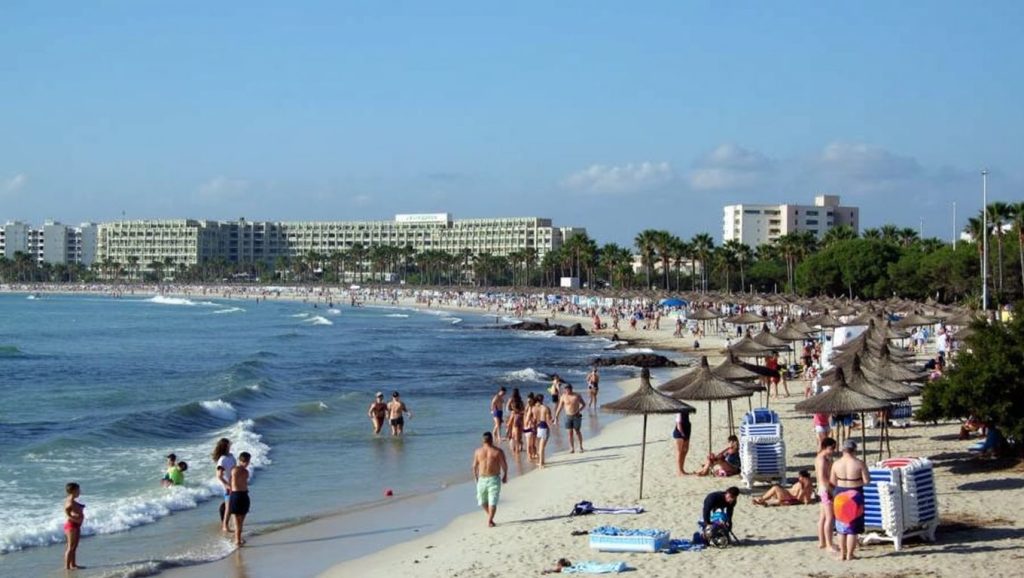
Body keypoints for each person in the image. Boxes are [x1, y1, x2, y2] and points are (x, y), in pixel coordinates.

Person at [829, 439, 869, 561]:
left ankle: (842, 554)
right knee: (853, 527)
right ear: (854, 450)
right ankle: (850, 554)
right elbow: (867, 481)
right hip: (855, 493)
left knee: (841, 527)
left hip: (840, 493)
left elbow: (832, 481)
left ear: (843, 450)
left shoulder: (836, 464)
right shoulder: (859, 463)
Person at [472, 432, 508, 527]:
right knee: (483, 501)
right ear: (492, 440)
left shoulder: (497, 451)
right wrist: (476, 478)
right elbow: (474, 466)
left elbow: (474, 467)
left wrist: (505, 475)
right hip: (483, 479)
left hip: (493, 479)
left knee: (491, 501)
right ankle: (490, 517)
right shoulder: (479, 451)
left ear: (483, 440)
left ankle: (489, 520)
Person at [815, 437, 838, 552]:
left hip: (822, 489)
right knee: (829, 517)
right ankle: (829, 544)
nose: (833, 450)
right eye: (832, 448)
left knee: (823, 517)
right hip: (825, 489)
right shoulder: (822, 459)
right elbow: (822, 477)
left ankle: (822, 542)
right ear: (825, 447)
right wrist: (831, 491)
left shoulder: (824, 458)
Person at [228, 451, 252, 547]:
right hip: (245, 495)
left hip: (236, 495)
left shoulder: (234, 470)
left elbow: (231, 481)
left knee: (236, 519)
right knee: (241, 520)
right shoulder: (246, 472)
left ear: (239, 460)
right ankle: (238, 538)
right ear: (248, 461)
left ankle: (237, 539)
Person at [212, 438, 236, 533]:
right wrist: (226, 485)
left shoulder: (231, 456)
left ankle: (233, 523)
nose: (230, 445)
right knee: (228, 506)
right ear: (225, 446)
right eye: (229, 444)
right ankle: (225, 526)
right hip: (228, 485)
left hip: (234, 483)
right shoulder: (222, 460)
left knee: (232, 504)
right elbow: (219, 475)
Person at [554, 384, 586, 453]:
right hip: (568, 416)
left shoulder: (577, 395)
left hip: (576, 416)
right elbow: (560, 407)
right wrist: (556, 416)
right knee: (569, 433)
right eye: (566, 389)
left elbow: (584, 404)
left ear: (571, 389)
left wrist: (579, 411)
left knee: (577, 432)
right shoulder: (563, 397)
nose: (567, 390)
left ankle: (580, 446)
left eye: (568, 389)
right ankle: (572, 448)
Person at [64, 482, 85, 570]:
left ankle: (73, 564)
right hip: (71, 526)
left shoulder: (73, 501)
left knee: (74, 546)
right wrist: (76, 519)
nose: (79, 491)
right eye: (78, 490)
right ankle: (67, 567)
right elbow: (67, 515)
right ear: (73, 491)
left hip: (76, 525)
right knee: (70, 547)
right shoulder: (69, 502)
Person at [532, 393, 554, 466]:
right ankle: (541, 463)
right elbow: (548, 420)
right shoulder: (545, 408)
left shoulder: (533, 408)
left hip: (538, 427)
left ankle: (542, 461)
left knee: (540, 446)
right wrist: (553, 421)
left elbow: (534, 419)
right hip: (544, 427)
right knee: (542, 447)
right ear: (542, 399)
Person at [506, 388, 526, 454]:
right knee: (519, 433)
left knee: (513, 433)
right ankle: (520, 445)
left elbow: (507, 408)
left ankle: (515, 448)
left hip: (514, 415)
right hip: (520, 415)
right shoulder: (520, 400)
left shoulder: (511, 399)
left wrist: (512, 410)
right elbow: (523, 408)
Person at [673, 410, 692, 475]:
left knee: (685, 450)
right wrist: (682, 434)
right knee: (679, 452)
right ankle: (679, 470)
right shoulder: (679, 412)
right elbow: (678, 424)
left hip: (686, 429)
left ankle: (682, 469)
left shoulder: (685, 411)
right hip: (680, 432)